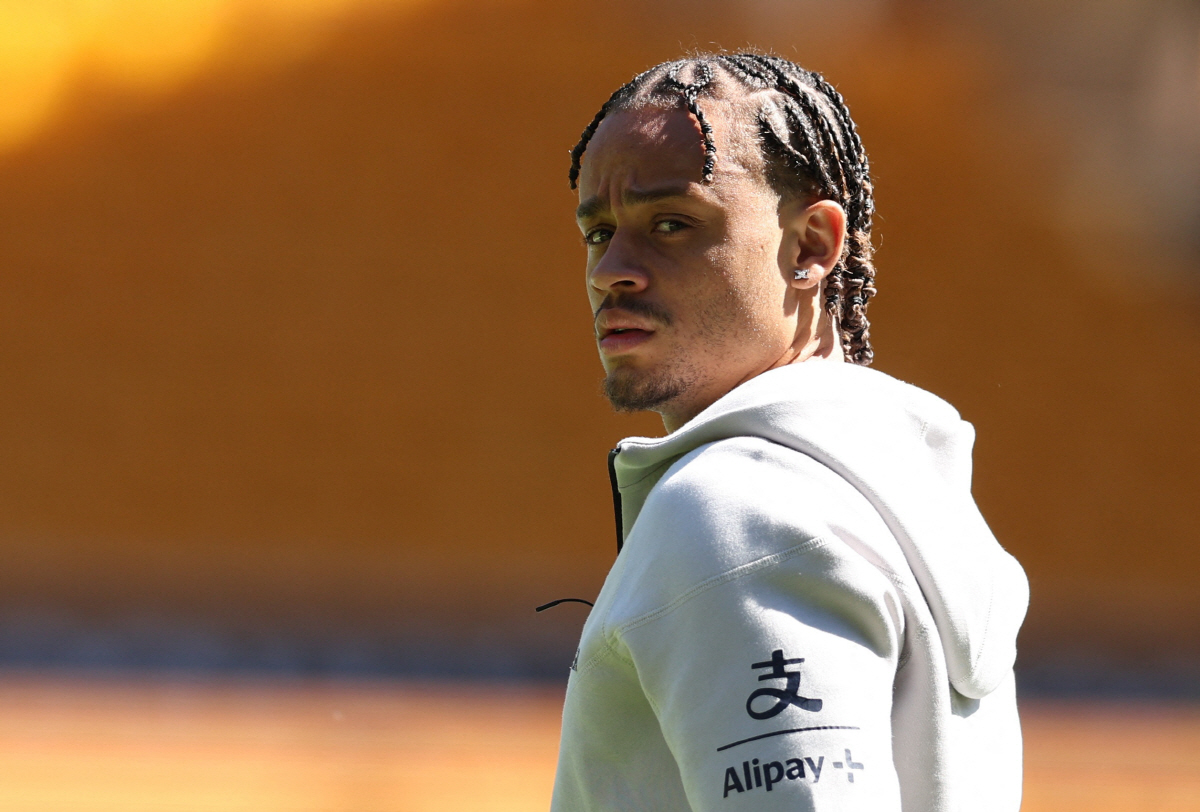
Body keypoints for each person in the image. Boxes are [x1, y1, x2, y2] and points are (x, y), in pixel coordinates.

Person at [549, 53, 1029, 812]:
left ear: (810, 244)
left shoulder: (736, 513)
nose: (613, 269)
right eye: (597, 232)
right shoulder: (888, 492)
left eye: (671, 223)